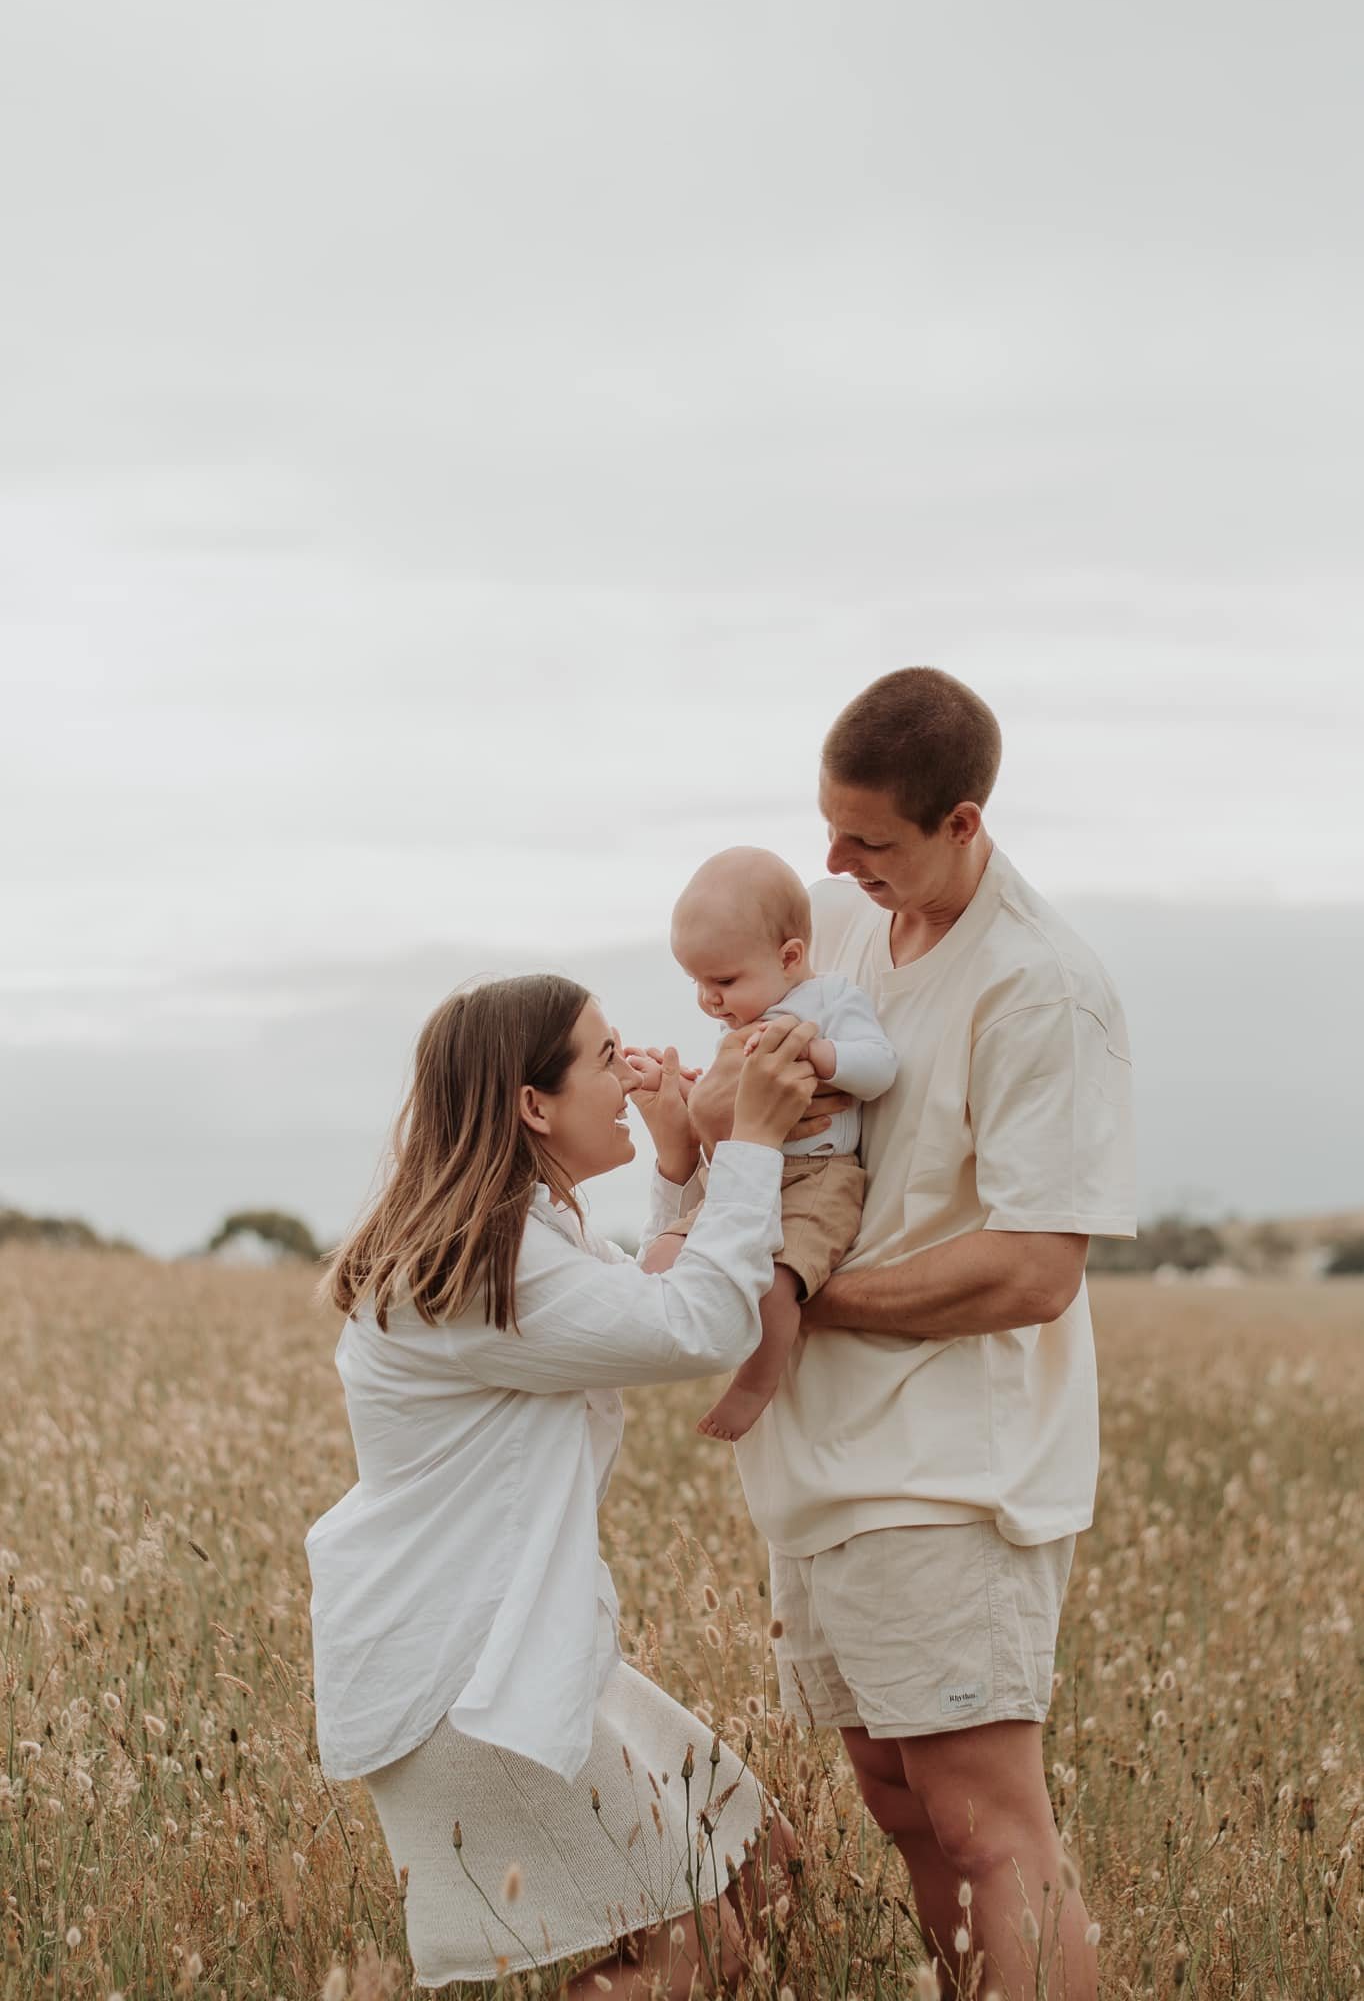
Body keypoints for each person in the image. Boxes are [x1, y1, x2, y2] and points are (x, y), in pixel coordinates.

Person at [687, 667, 1136, 2001]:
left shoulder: (1041, 986)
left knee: (988, 1823)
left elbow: (1038, 1268)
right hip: (824, 1470)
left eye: (870, 840)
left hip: (950, 1472)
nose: (834, 861)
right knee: (897, 1799)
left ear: (962, 822)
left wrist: (803, 1301)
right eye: (829, 829)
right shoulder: (831, 922)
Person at [304, 975, 817, 1998]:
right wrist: (751, 1141)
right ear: (533, 1103)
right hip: (462, 1674)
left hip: (518, 1641)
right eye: (603, 1053)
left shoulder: (525, 1236)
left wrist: (682, 1161)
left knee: (763, 1868)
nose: (631, 1072)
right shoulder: (488, 1263)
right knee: (696, 1945)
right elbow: (696, 1325)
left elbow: (649, 1290)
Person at [637, 845, 897, 1441]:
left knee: (776, 1284)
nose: (710, 1000)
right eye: (698, 983)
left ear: (790, 956)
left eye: (723, 980)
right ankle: (665, 1347)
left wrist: (821, 1055)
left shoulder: (830, 1001)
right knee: (662, 1259)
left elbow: (879, 1067)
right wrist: (689, 1091)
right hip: (743, 1175)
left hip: (817, 1177)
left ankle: (755, 1384)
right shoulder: (742, 1023)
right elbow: (728, 1110)